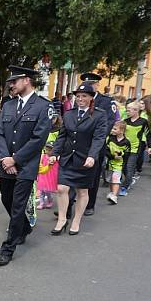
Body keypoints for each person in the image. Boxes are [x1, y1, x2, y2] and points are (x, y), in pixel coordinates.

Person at [0, 65, 52, 266]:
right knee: (6, 199)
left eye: (14, 81)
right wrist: (5, 159)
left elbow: (38, 139)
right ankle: (24, 227)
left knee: (18, 207)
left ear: (26, 80)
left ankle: (8, 248)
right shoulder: (8, 105)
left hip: (26, 166)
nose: (11, 85)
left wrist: (15, 159)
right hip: (6, 164)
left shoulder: (43, 106)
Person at [50, 82, 107, 235]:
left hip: (85, 160)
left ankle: (76, 220)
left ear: (91, 97)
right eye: (78, 96)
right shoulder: (69, 114)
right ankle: (62, 219)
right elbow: (62, 136)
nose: (80, 99)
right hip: (68, 158)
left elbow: (99, 138)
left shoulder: (99, 115)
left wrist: (92, 156)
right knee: (62, 188)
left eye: (84, 96)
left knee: (82, 192)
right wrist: (54, 153)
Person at [76, 72, 118, 217]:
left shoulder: (106, 101)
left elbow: (109, 122)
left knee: (92, 175)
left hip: (96, 144)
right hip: (78, 143)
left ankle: (89, 204)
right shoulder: (80, 100)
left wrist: (95, 138)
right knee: (73, 172)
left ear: (96, 85)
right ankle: (71, 202)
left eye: (91, 85)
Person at [121, 101, 151, 194]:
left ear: (136, 110)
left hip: (135, 148)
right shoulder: (125, 121)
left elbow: (148, 134)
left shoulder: (143, 121)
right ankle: (129, 179)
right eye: (127, 110)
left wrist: (150, 146)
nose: (127, 112)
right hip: (124, 148)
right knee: (123, 168)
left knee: (130, 167)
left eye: (129, 110)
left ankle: (124, 187)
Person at [104, 121, 130, 204]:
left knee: (116, 179)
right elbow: (105, 150)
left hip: (119, 164)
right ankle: (112, 193)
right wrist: (112, 156)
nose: (112, 130)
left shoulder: (126, 142)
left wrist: (121, 155)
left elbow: (127, 153)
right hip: (110, 163)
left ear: (122, 131)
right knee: (111, 180)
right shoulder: (109, 138)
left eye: (115, 129)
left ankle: (114, 195)